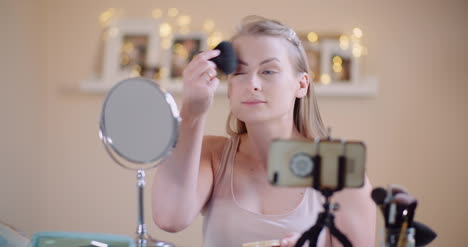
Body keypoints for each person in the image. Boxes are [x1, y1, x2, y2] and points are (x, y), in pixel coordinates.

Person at [152, 16, 376, 247]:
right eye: (239, 73)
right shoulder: (211, 156)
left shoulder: (339, 172)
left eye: (268, 71)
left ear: (301, 85)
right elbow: (170, 218)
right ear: (229, 88)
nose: (252, 84)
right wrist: (192, 112)